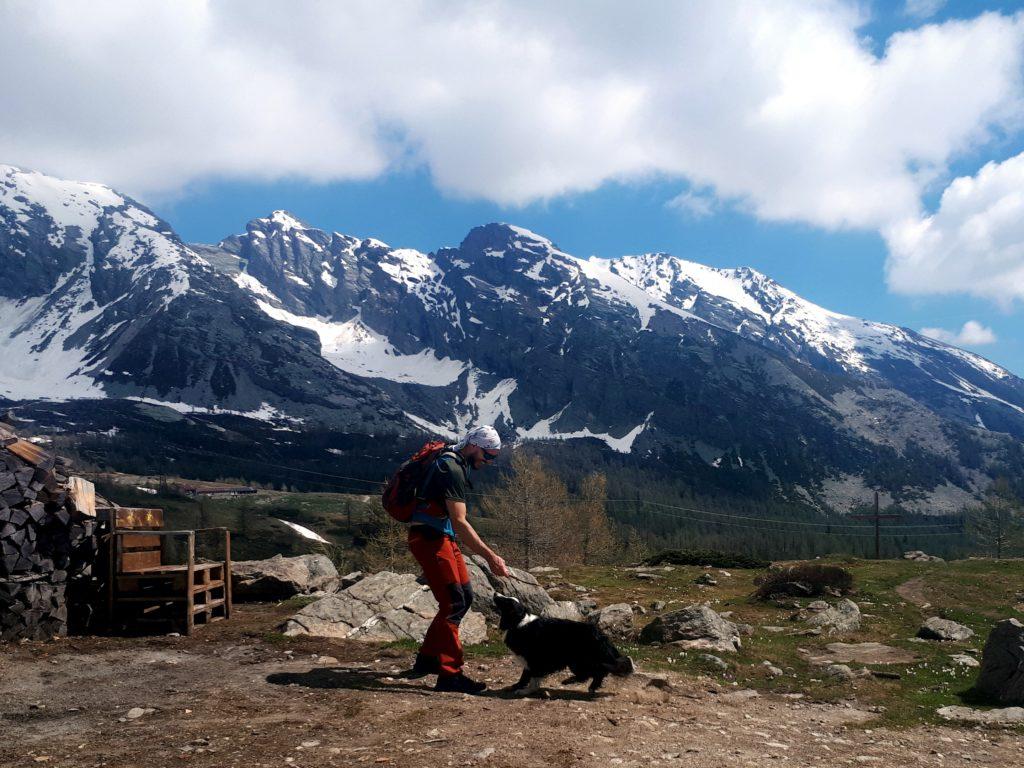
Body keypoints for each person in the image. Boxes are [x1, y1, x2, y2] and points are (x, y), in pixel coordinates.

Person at [406, 425, 510, 694]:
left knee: (464, 596)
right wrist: (491, 558)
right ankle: (450, 674)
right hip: (431, 538)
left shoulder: (454, 461)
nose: (488, 462)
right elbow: (460, 522)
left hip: (440, 536)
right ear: (474, 446)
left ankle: (427, 660)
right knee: (454, 602)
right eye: (488, 456)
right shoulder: (451, 468)